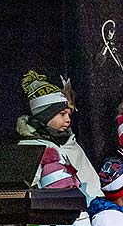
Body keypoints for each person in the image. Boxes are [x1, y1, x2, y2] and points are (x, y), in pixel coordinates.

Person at [16, 71, 101, 202]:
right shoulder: (31, 147)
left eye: (69, 114)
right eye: (62, 114)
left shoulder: (70, 144)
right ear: (45, 115)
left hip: (89, 211)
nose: (68, 120)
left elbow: (92, 183)